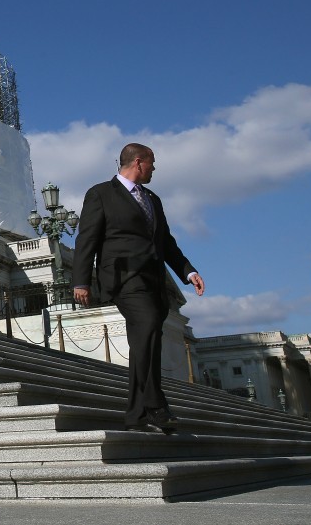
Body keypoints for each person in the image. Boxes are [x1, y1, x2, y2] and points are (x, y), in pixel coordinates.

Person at [72, 143, 206, 434]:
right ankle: (156, 406)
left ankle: (136, 413)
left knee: (147, 341)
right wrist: (81, 281)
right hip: (123, 277)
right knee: (146, 328)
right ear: (138, 162)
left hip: (154, 279)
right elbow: (86, 239)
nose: (154, 169)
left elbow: (165, 242)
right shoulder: (101, 194)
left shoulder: (152, 199)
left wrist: (188, 271)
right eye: (152, 163)